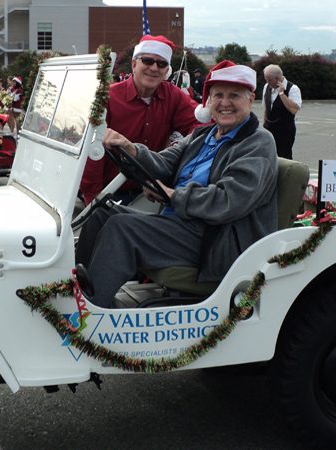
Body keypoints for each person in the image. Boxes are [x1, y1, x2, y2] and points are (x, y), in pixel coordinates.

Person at [75, 61, 279, 309]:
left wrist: (173, 196)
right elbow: (164, 163)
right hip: (183, 225)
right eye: (218, 95)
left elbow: (229, 200)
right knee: (102, 214)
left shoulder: (258, 142)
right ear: (209, 101)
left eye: (234, 95)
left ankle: (89, 313)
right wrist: (131, 149)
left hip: (216, 240)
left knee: (123, 228)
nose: (225, 103)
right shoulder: (204, 135)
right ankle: (75, 293)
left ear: (250, 99)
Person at [79, 34, 201, 205]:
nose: (154, 68)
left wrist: (178, 152)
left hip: (152, 191)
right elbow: (91, 152)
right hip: (110, 192)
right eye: (148, 61)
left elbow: (202, 125)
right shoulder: (108, 97)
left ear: (167, 71)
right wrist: (94, 199)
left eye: (161, 64)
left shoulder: (173, 96)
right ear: (134, 64)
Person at [262, 64, 302, 160]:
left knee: (284, 157)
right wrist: (264, 124)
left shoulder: (293, 89)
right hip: (269, 129)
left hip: (285, 130)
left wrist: (281, 94)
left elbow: (293, 109)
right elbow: (266, 107)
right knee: (267, 156)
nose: (267, 82)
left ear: (278, 78)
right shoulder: (267, 87)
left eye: (269, 80)